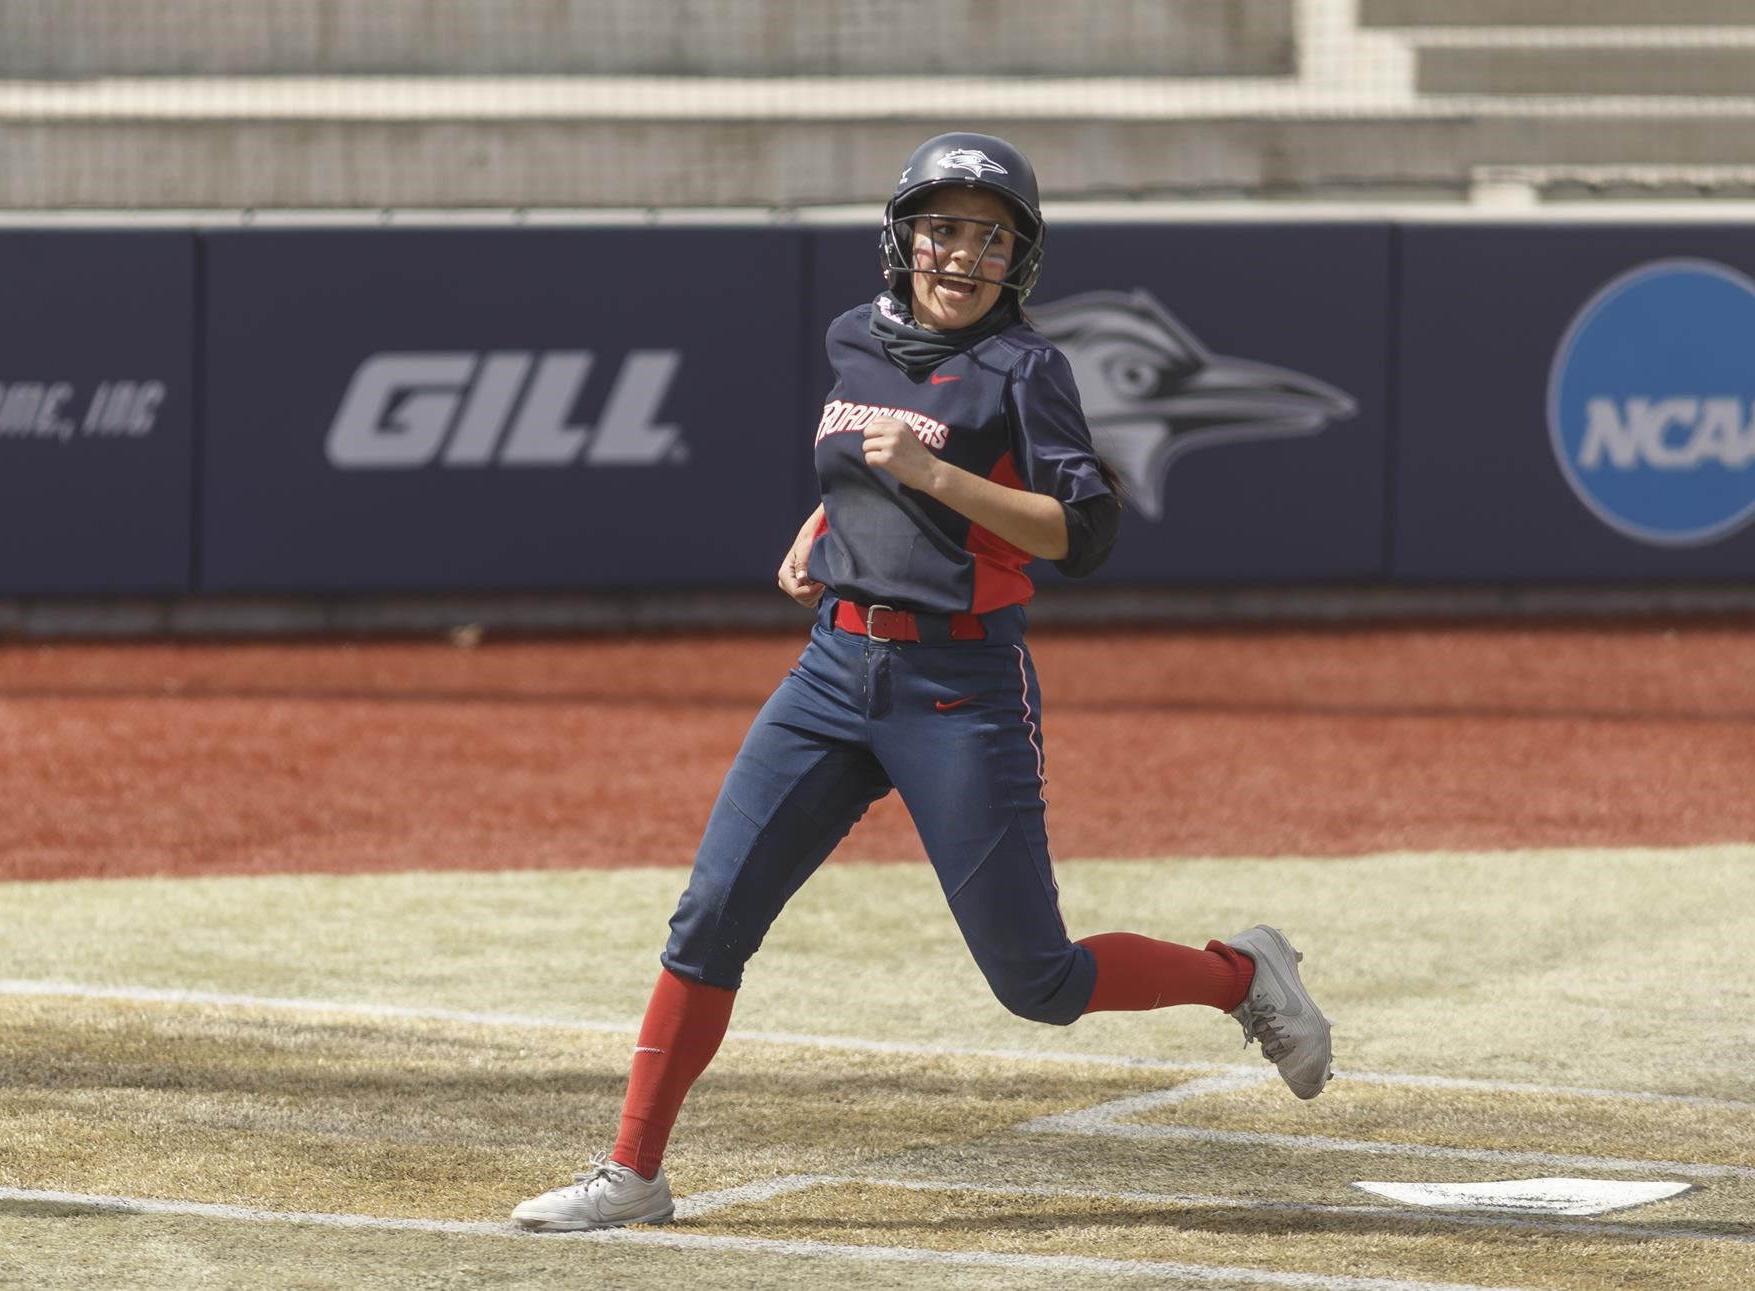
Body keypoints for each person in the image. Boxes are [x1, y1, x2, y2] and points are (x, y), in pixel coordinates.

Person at [510, 132, 1333, 1233]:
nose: (963, 254)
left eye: (990, 236)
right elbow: (862, 467)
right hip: (830, 670)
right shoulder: (855, 334)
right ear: (903, 236)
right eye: (944, 227)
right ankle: (632, 1174)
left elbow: (1080, 536)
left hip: (959, 682)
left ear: (1017, 258)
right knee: (708, 918)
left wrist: (934, 473)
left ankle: (1239, 974)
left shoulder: (1025, 369)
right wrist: (822, 526)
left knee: (1034, 981)